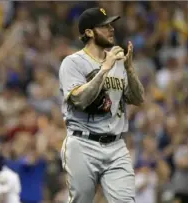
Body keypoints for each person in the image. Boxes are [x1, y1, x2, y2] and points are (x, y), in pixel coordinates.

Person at [58, 7, 144, 203]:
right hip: (83, 143)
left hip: (116, 146)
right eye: (104, 26)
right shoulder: (73, 63)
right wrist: (104, 69)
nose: (111, 29)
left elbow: (138, 99)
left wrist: (130, 70)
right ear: (89, 32)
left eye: (111, 25)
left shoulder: (119, 62)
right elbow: (79, 99)